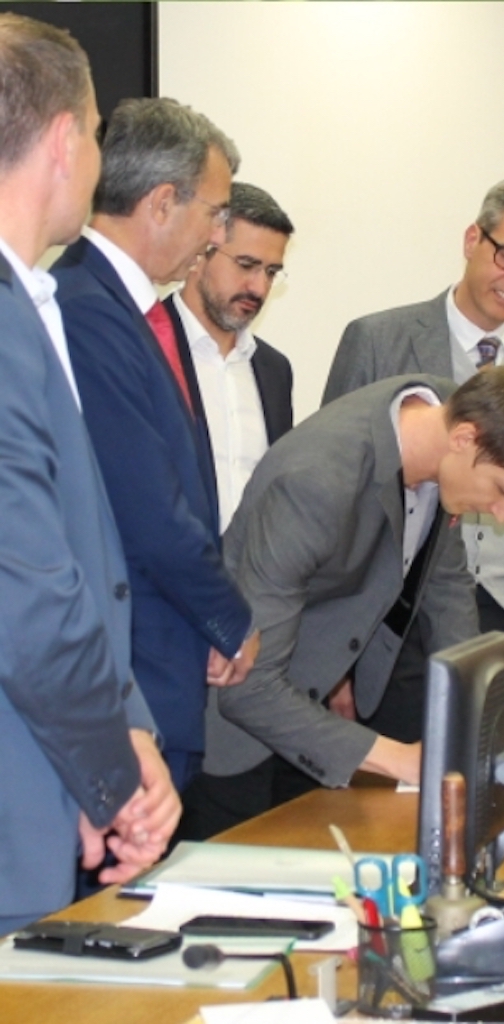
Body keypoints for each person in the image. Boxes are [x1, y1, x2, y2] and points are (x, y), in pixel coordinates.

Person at [179, 364, 504, 838]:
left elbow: (447, 588)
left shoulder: (446, 419)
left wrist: (492, 742)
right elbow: (248, 688)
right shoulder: (315, 479)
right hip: (232, 731)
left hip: (311, 711)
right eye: (503, 491)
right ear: (464, 439)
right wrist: (405, 760)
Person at [0, 13, 179, 932]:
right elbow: (26, 590)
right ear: (67, 140)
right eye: (102, 134)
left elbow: (77, 554)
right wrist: (114, 777)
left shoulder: (28, 303)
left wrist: (121, 735)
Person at [52, 98, 258, 795]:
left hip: (163, 670)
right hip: (133, 680)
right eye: (216, 213)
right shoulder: (87, 310)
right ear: (164, 201)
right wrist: (229, 618)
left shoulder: (122, 308)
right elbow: (149, 509)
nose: (218, 234)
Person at [323, 179, 504, 718]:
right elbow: (338, 505)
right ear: (473, 239)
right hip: (399, 621)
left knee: (494, 761)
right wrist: (333, 660)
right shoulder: (378, 341)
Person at [169, 181, 295, 532]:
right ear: (201, 252)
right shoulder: (146, 343)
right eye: (246, 265)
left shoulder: (274, 370)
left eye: (271, 272)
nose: (259, 287)